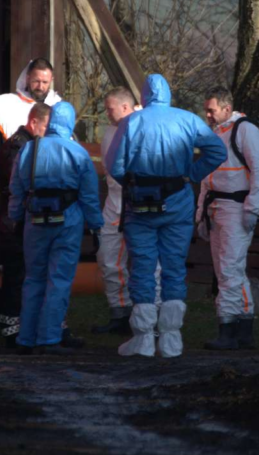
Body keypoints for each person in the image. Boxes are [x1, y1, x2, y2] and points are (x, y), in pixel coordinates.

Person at [105, 74, 227, 358]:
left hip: (141, 206)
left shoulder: (132, 122)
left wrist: (133, 185)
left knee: (143, 267)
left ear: (144, 95)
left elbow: (114, 165)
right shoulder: (188, 120)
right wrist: (192, 174)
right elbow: (217, 151)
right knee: (174, 266)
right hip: (177, 203)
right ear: (168, 94)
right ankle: (172, 339)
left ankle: (144, 339)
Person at [9, 101, 103, 355]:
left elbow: (17, 189)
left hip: (34, 221)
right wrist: (96, 226)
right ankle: (49, 338)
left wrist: (15, 217)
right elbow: (89, 196)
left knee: (33, 278)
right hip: (67, 221)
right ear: (70, 123)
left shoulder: (29, 149)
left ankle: (26, 338)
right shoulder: (78, 152)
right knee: (58, 280)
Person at [196, 86, 259, 350]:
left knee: (228, 270)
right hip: (217, 207)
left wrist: (251, 209)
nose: (207, 115)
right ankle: (244, 330)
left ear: (227, 108)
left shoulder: (245, 130)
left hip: (235, 208)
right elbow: (206, 177)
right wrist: (200, 214)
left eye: (211, 110)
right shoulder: (216, 133)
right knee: (229, 270)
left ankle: (227, 330)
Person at [91, 87, 161, 335]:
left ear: (124, 107)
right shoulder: (110, 132)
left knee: (148, 262)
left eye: (109, 109)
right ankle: (120, 312)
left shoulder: (145, 127)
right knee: (108, 258)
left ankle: (153, 314)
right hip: (114, 203)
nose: (106, 114)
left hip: (139, 204)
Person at [0, 103, 51, 347]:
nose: (48, 132)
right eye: (46, 126)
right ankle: (11, 328)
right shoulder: (19, 146)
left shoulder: (26, 143)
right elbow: (18, 183)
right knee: (16, 274)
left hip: (18, 218)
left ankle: (21, 326)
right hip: (14, 220)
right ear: (34, 122)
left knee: (23, 273)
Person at [0, 58, 62, 140]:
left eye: (45, 82)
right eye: (36, 81)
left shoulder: (58, 107)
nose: (40, 87)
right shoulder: (11, 102)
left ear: (51, 80)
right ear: (28, 78)